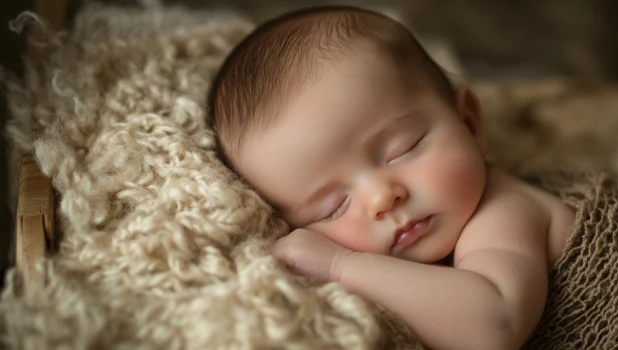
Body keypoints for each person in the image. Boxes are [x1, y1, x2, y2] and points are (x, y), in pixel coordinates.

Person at [208, 5, 575, 350]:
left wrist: (340, 265)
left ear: (469, 123)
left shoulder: (504, 208)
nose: (383, 198)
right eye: (332, 207)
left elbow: (494, 325)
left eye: (402, 149)